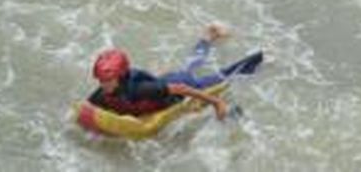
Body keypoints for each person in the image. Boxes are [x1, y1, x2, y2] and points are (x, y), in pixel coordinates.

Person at [87, 24, 263, 121]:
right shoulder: (104, 91)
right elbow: (87, 106)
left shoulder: (139, 90)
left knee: (225, 76)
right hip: (164, 81)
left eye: (108, 80)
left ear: (120, 76)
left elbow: (180, 89)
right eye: (101, 79)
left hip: (183, 86)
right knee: (191, 65)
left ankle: (261, 57)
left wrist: (216, 102)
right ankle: (208, 37)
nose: (103, 84)